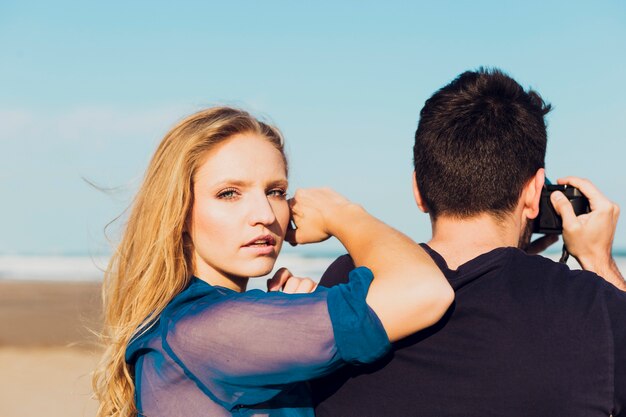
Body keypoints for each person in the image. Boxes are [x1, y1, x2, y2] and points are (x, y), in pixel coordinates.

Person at [91, 107, 454, 417]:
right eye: (229, 193)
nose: (264, 214)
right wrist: (344, 216)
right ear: (179, 211)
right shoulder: (203, 328)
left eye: (275, 191)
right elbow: (422, 291)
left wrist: (289, 316)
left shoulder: (198, 323)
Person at [312, 69, 626, 417]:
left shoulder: (348, 280)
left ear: (419, 190)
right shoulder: (593, 307)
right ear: (535, 191)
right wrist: (598, 262)